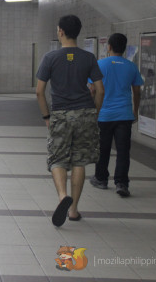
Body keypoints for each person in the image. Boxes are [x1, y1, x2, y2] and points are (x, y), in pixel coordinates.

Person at [35, 15, 104, 227]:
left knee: (57, 158)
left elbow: (39, 91)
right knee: (79, 161)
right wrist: (94, 114)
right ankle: (73, 210)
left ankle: (62, 196)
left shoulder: (50, 57)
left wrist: (47, 117)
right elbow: (100, 89)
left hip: (61, 114)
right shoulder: (88, 57)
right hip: (85, 113)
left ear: (61, 32)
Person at [89, 33, 143, 197]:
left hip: (103, 115)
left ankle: (101, 178)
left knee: (103, 149)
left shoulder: (99, 64)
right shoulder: (131, 66)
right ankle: (122, 183)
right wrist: (135, 110)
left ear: (109, 46)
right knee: (123, 150)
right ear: (124, 48)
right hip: (124, 115)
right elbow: (137, 91)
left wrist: (92, 110)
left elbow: (92, 90)